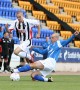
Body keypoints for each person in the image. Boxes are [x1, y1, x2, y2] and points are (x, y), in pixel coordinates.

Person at [11, 31, 79, 82]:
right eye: (50, 38)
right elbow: (42, 52)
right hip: (50, 65)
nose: (51, 39)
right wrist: (33, 48)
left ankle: (15, 70)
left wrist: (73, 35)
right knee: (33, 75)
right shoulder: (49, 46)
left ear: (56, 38)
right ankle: (48, 80)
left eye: (52, 38)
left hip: (50, 61)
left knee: (32, 65)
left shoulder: (59, 43)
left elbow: (67, 41)